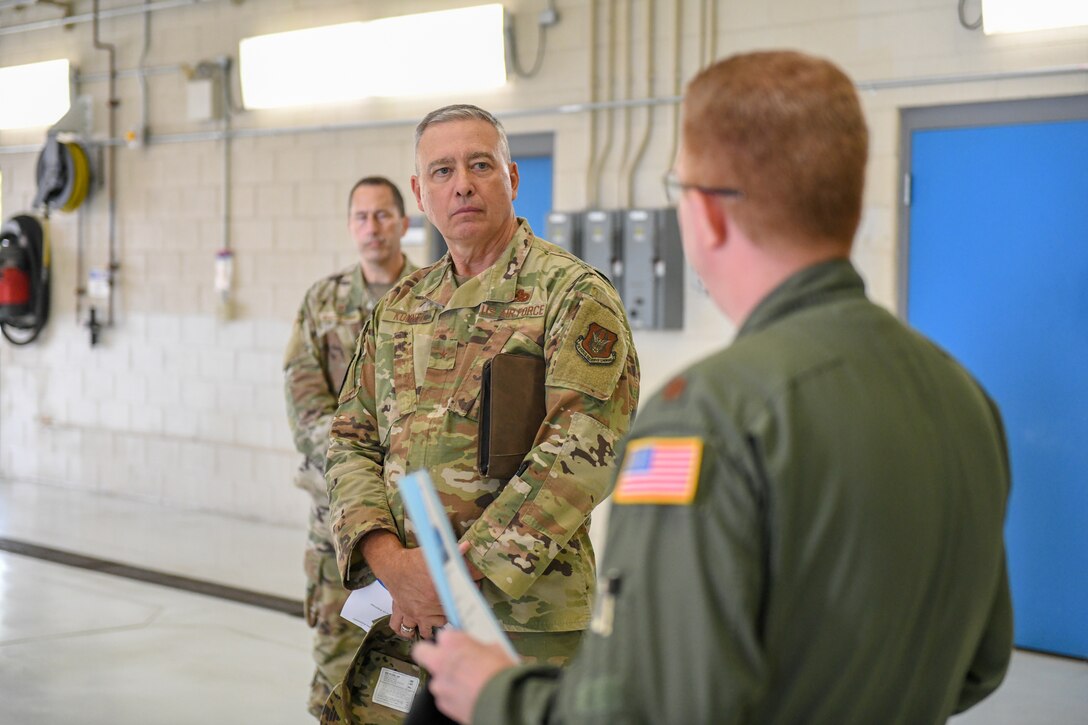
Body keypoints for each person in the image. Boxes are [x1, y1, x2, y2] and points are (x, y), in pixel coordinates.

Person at [413, 51, 1014, 724]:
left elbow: (648, 710)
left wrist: (494, 694)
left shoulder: (705, 419)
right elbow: (981, 663)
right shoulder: (962, 398)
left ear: (708, 214)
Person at [324, 104, 640, 719]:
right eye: (441, 171)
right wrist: (392, 565)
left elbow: (580, 456)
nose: (461, 183)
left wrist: (448, 581)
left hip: (522, 629)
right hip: (404, 621)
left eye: (479, 165)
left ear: (511, 178)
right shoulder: (401, 307)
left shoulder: (570, 296)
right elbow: (350, 437)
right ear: (420, 193)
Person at [284, 175, 419, 718]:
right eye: (361, 217)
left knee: (410, 663)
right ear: (349, 226)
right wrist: (355, 468)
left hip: (413, 517)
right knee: (336, 652)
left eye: (383, 215)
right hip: (336, 516)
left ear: (404, 223)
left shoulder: (435, 297)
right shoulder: (323, 301)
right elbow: (304, 399)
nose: (372, 228)